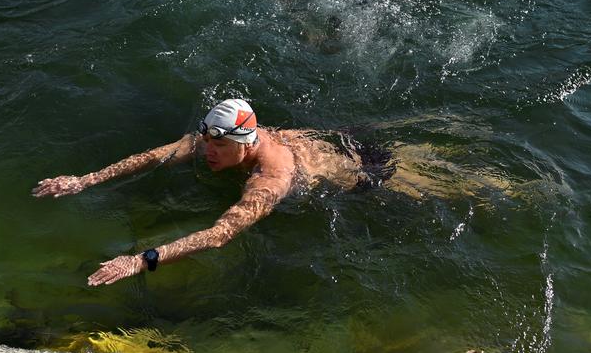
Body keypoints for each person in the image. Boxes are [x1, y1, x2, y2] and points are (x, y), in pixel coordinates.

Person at [33, 99, 395, 286]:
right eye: (205, 142)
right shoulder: (219, 139)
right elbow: (152, 156)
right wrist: (85, 180)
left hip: (367, 176)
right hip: (343, 142)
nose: (207, 152)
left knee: (435, 187)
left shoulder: (271, 177)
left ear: (246, 144)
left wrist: (140, 260)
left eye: (218, 148)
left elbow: (221, 235)